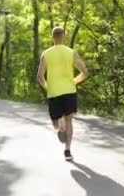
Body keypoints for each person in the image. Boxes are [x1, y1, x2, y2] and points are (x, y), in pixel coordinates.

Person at [37, 27, 88, 161]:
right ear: (63, 37)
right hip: (70, 91)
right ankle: (67, 151)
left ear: (52, 37)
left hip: (54, 92)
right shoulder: (71, 52)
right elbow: (85, 72)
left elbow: (40, 76)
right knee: (69, 121)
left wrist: (48, 87)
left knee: (56, 123)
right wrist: (74, 82)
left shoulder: (46, 54)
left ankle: (60, 123)